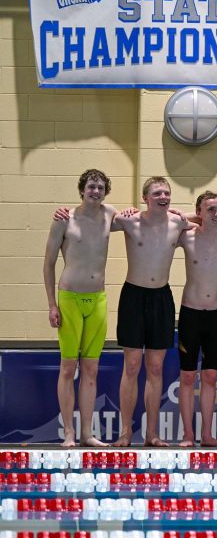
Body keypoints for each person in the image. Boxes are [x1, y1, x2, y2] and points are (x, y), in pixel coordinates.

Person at [113, 177, 193, 447]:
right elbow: (94, 219)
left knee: (156, 367)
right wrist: (65, 214)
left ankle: (152, 434)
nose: (163, 197)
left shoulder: (178, 222)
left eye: (167, 193)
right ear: (145, 197)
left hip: (161, 297)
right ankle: (125, 431)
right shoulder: (129, 221)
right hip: (133, 297)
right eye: (157, 193)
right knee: (132, 365)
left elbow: (211, 217)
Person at [43, 169, 121, 447]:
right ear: (82, 189)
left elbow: (143, 220)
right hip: (70, 299)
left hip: (97, 299)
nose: (96, 191)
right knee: (68, 368)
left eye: (101, 187)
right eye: (91, 186)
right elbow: (49, 263)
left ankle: (87, 433)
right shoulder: (65, 219)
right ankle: (68, 433)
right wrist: (52, 304)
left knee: (91, 369)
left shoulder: (109, 214)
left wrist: (136, 210)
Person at [176, 191, 217, 448]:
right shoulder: (186, 236)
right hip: (191, 313)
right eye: (210, 209)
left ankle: (207, 435)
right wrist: (191, 217)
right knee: (188, 377)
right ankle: (188, 435)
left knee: (211, 376)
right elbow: (165, 219)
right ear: (199, 212)